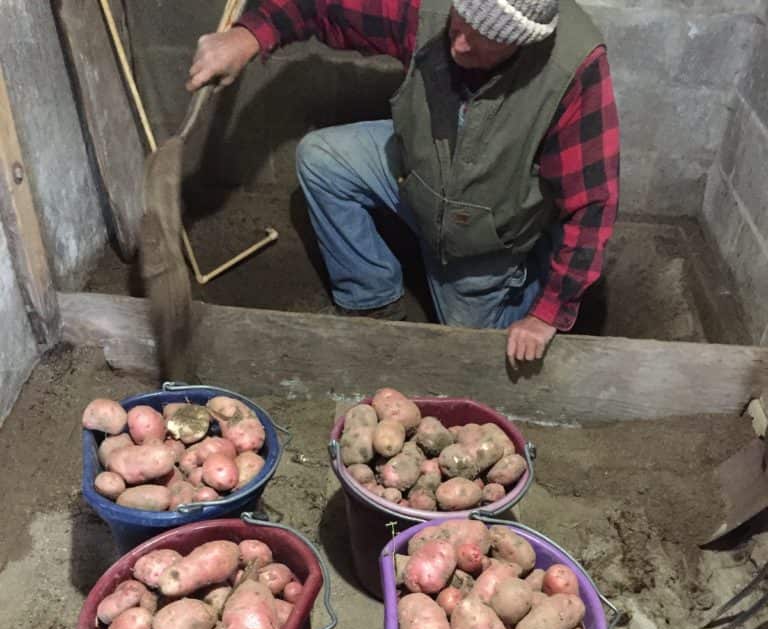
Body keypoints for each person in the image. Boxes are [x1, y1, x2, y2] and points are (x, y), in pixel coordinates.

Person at [187, 0, 619, 365]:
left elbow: (592, 205)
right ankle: (373, 299)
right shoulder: (430, 10)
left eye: (482, 41)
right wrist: (248, 37)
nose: (459, 43)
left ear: (525, 43)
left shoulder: (571, 71)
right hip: (419, 173)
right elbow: (325, 5)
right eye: (459, 22)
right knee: (321, 159)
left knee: (472, 361)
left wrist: (547, 315)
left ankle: (525, 274)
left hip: (485, 229)